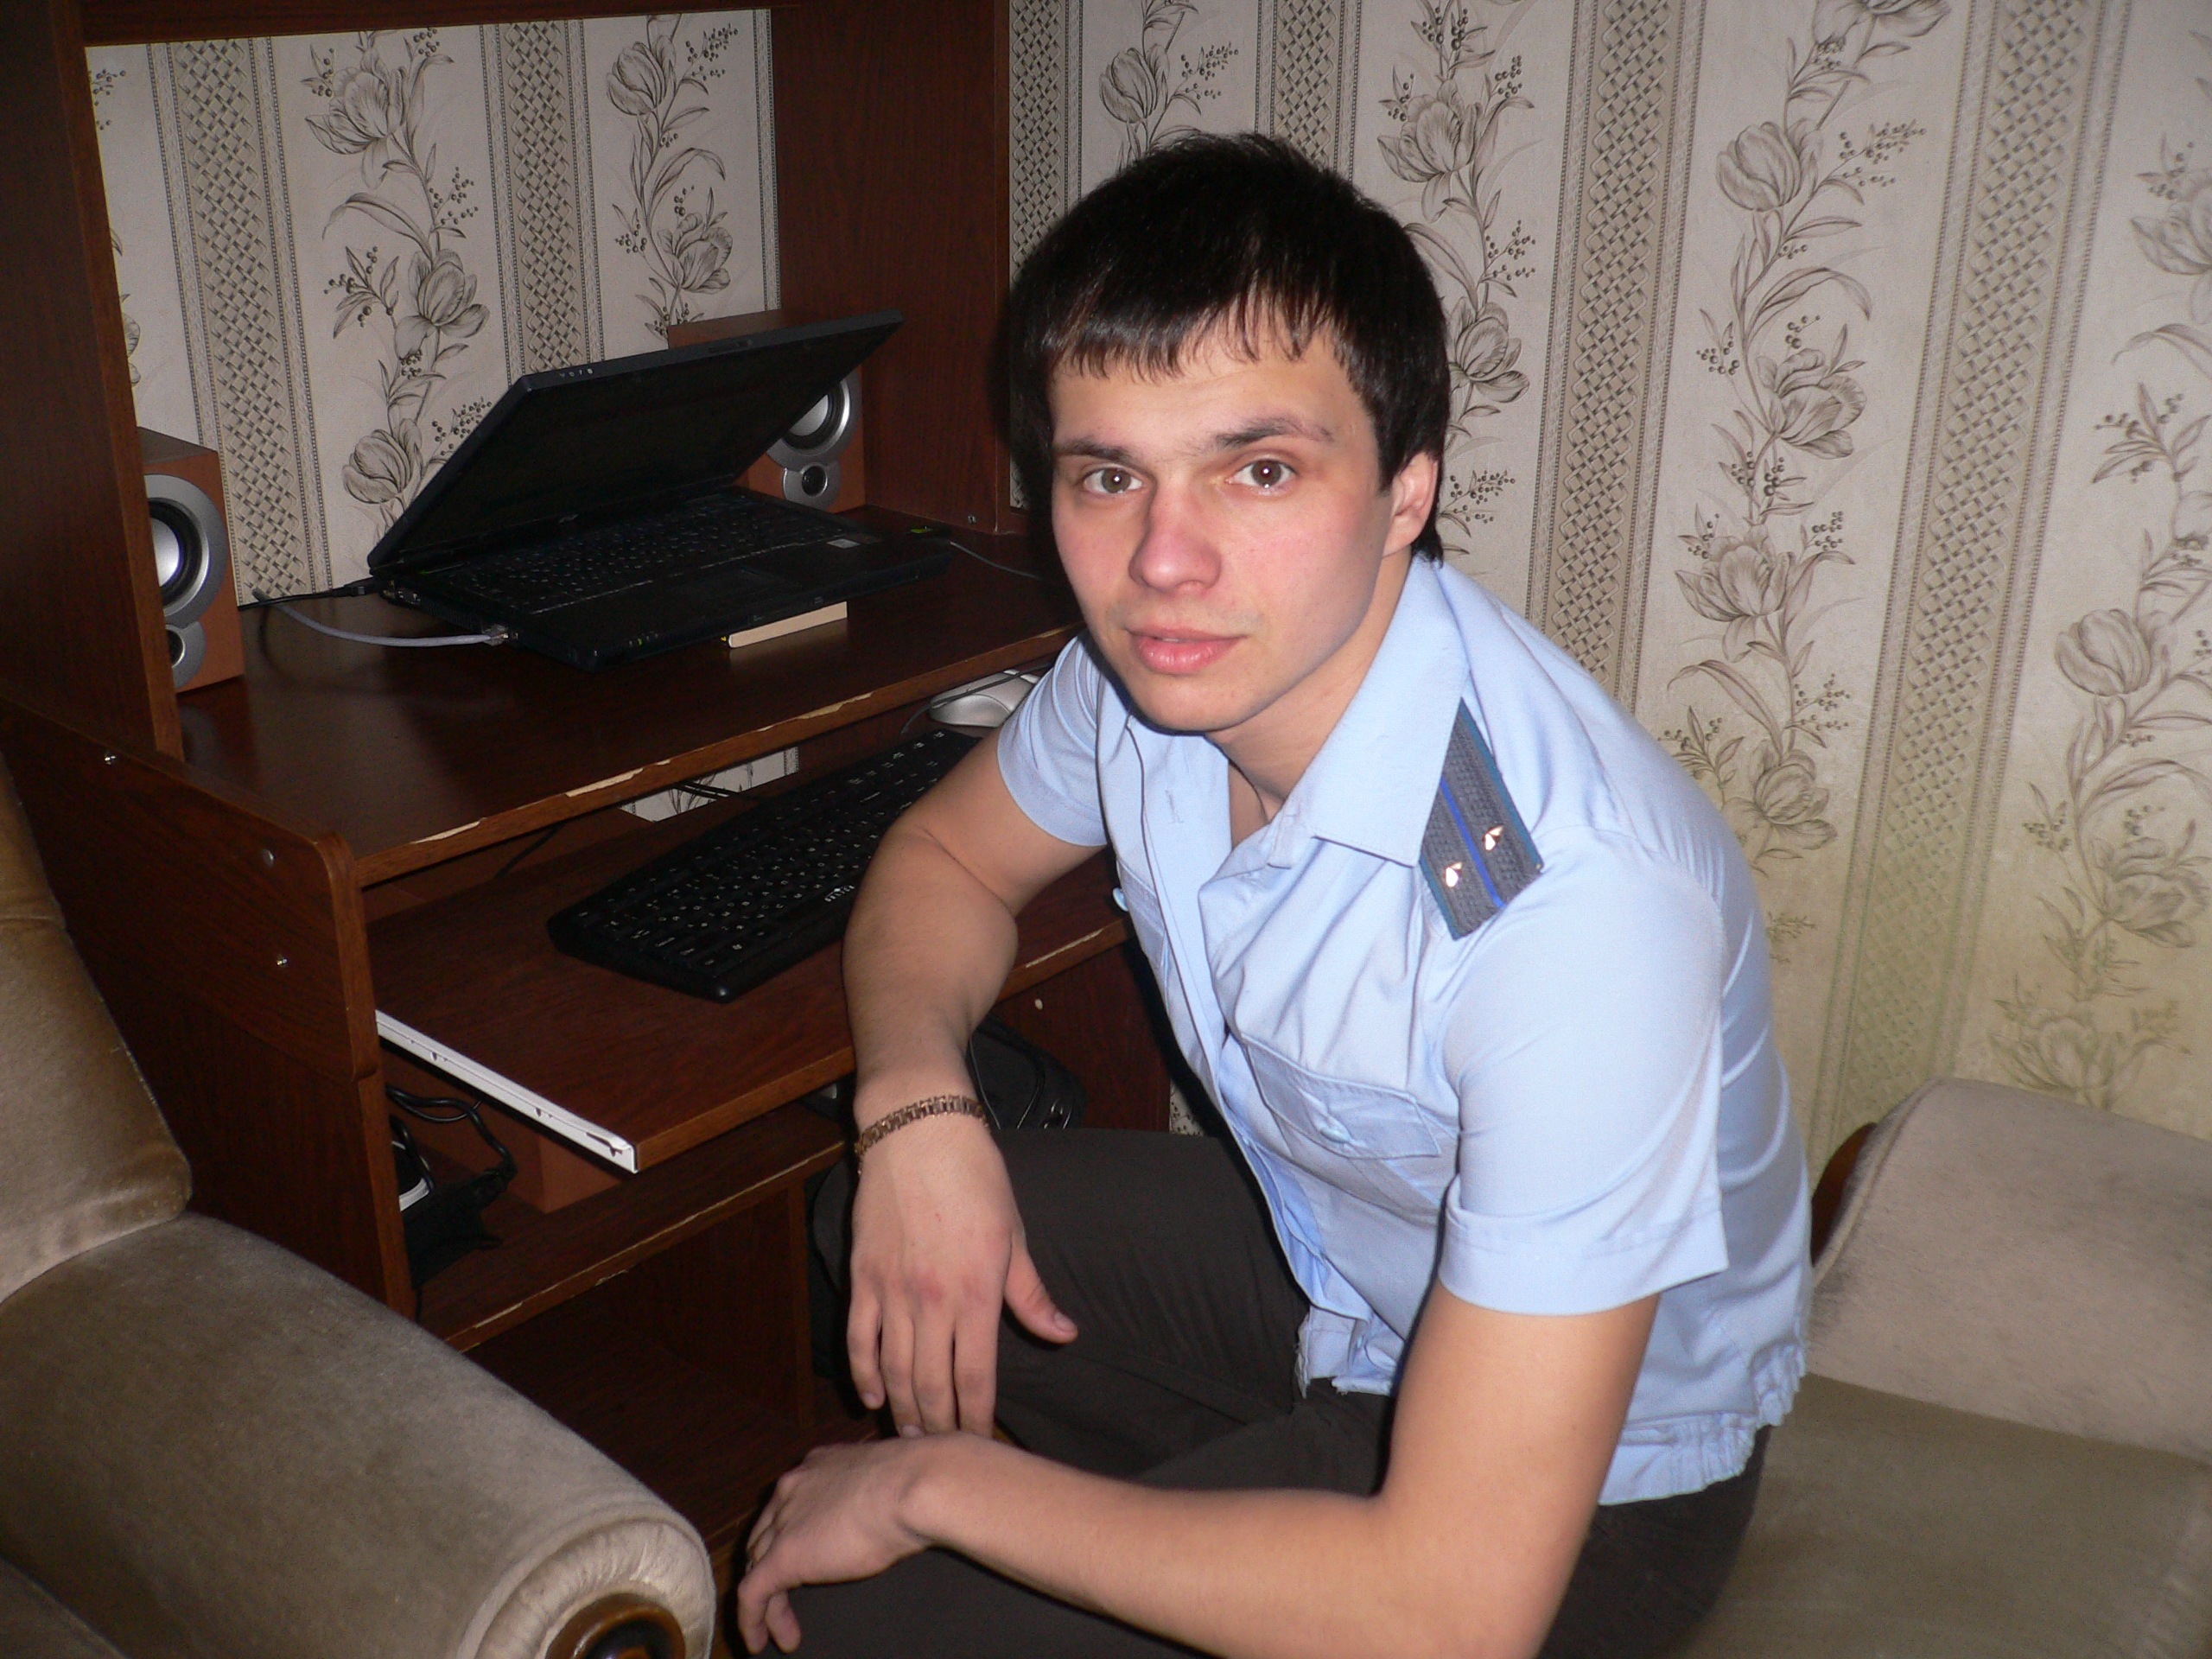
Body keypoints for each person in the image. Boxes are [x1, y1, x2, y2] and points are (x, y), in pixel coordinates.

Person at [735, 133, 1808, 1659]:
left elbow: (1449, 1614)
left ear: (1405, 491)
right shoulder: (1150, 680)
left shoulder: (1577, 918)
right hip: (1347, 1280)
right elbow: (947, 862)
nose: (1164, 561)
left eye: (1260, 470)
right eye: (1109, 475)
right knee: (879, 1215)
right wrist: (917, 1105)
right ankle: (1205, 1514)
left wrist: (937, 1491)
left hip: (1597, 1478)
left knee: (863, 1617)